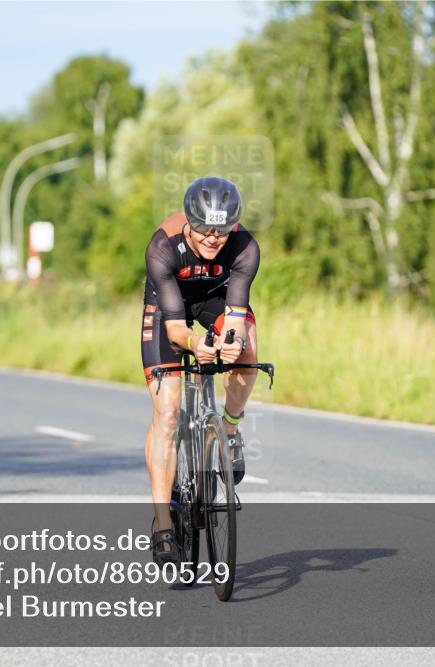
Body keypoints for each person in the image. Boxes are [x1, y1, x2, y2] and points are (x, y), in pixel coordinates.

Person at [142, 176, 261, 565]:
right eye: (205, 230)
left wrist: (230, 341)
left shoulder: (244, 248)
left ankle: (228, 430)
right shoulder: (163, 247)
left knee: (248, 349)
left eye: (223, 231)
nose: (214, 238)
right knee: (169, 410)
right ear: (189, 223)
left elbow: (237, 316)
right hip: (168, 304)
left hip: (216, 298)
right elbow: (177, 329)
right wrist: (197, 345)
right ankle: (162, 523)